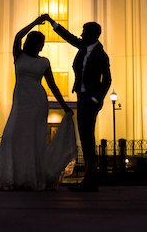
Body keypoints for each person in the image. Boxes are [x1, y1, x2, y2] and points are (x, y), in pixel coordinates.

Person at [0, 15, 74, 191]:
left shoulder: (44, 62)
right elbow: (17, 36)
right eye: (39, 42)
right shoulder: (19, 55)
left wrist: (64, 106)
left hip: (38, 102)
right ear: (31, 42)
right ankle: (14, 175)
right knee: (13, 134)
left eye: (42, 43)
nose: (41, 45)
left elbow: (52, 86)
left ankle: (31, 177)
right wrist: (34, 23)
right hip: (21, 102)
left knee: (33, 138)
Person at [42, 16, 111, 192]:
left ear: (93, 35)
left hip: (90, 100)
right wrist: (52, 22)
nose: (81, 35)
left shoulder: (100, 55)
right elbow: (69, 37)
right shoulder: (84, 47)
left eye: (85, 32)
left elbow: (107, 80)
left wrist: (96, 99)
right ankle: (90, 180)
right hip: (81, 97)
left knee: (88, 139)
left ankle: (90, 181)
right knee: (86, 138)